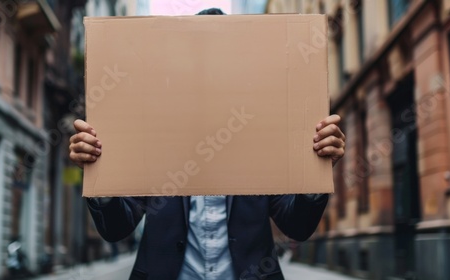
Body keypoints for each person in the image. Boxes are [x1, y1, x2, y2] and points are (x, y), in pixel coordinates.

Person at [69, 8, 346, 280]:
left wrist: (316, 169)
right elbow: (117, 228)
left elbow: (296, 226)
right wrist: (98, 172)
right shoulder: (153, 137)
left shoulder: (261, 137)